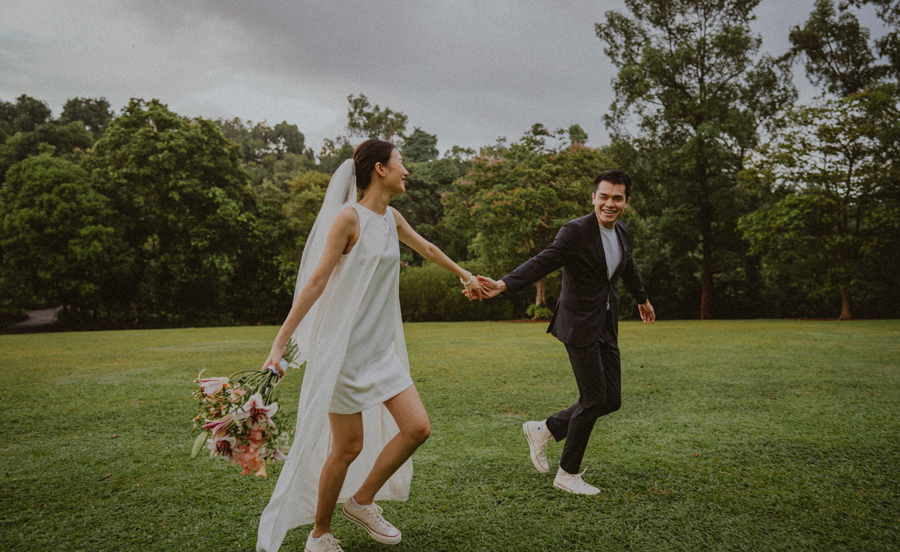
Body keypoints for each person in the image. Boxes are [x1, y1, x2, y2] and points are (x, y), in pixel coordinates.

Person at [257, 139, 484, 552]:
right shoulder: (348, 218)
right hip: (342, 353)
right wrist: (279, 343)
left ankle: (361, 502)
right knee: (348, 447)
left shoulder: (392, 218)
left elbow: (426, 247)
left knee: (418, 428)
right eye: (401, 163)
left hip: (381, 352)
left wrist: (463, 274)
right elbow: (316, 281)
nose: (406, 171)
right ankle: (319, 535)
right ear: (380, 169)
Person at [475, 169, 655, 495]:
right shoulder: (575, 231)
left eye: (617, 198)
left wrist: (642, 299)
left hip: (606, 324)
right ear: (593, 198)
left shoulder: (623, 232)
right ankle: (567, 473)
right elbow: (545, 261)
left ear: (626, 201)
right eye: (603, 196)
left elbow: (627, 266)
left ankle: (544, 428)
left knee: (610, 399)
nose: (609, 204)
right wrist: (504, 284)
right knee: (593, 398)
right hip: (578, 324)